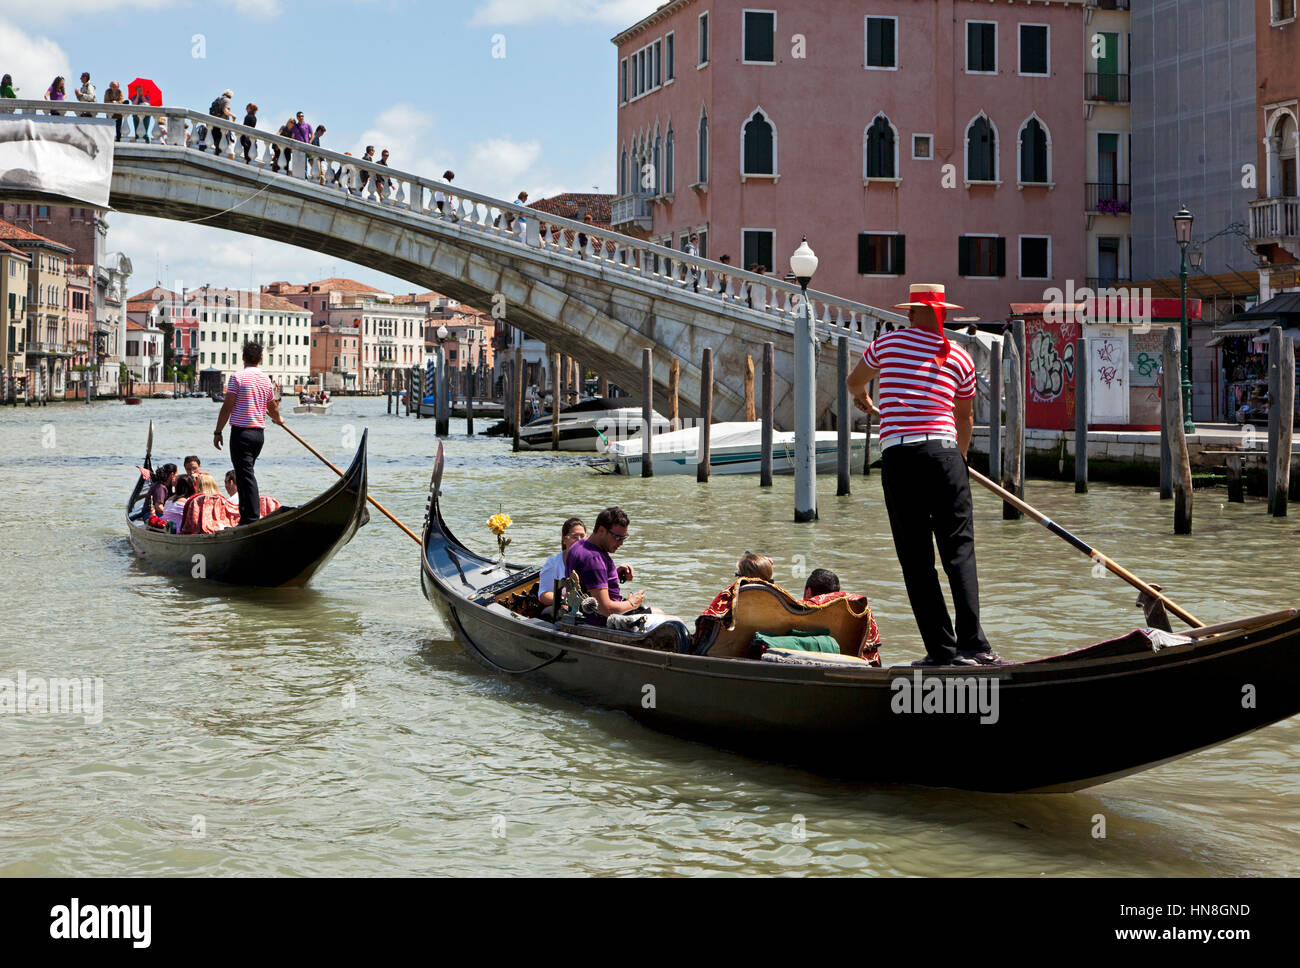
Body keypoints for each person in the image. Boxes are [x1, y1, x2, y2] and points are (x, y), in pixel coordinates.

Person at [847, 283, 999, 668]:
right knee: (959, 553)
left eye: (910, 310)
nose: (907, 316)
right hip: (944, 454)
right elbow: (963, 418)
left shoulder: (887, 344)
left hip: (900, 456)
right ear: (942, 314)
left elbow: (854, 379)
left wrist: (865, 400)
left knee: (917, 561)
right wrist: (958, 460)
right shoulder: (961, 358)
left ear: (915, 313)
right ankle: (975, 647)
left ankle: (943, 652)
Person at [565, 507, 680, 628]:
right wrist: (632, 603)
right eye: (617, 538)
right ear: (601, 530)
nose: (621, 543)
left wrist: (613, 574)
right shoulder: (594, 559)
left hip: (580, 616)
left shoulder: (579, 546)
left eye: (624, 538)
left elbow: (587, 580)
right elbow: (605, 609)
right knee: (675, 623)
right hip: (602, 622)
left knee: (658, 612)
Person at [214, 342, 285, 525]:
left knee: (246, 475)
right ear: (261, 359)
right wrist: (278, 419)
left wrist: (218, 431)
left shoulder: (237, 378)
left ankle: (251, 519)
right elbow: (273, 406)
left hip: (241, 434)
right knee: (244, 473)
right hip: (258, 436)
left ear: (243, 357)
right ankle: (245, 516)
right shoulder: (265, 380)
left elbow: (227, 407)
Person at [537, 517, 587, 609]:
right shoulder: (553, 563)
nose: (579, 541)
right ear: (564, 539)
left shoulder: (592, 561)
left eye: (582, 536)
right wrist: (566, 601)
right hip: (563, 607)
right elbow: (543, 594)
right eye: (574, 537)